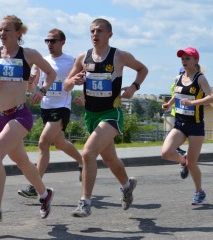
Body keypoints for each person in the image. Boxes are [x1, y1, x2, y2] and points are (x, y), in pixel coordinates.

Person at [0, 15, 56, 226]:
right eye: (0, 30)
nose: (2, 34)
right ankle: (44, 193)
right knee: (22, 162)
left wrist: (42, 90)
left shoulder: (28, 54)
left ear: (18, 33)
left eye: (7, 30)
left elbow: (51, 73)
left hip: (20, 115)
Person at [64, 18, 148, 217]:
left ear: (109, 34)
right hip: (91, 115)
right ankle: (127, 185)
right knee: (110, 158)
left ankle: (85, 202)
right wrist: (73, 81)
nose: (95, 34)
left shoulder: (119, 56)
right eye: (92, 31)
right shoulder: (83, 58)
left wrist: (134, 87)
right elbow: (66, 84)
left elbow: (142, 69)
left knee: (87, 153)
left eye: (99, 31)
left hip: (111, 113)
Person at [17, 29, 83, 199]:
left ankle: (34, 186)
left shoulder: (71, 61)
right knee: (60, 143)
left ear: (63, 42)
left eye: (53, 41)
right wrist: (31, 84)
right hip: (46, 107)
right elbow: (33, 88)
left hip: (62, 107)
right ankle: (83, 162)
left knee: (43, 143)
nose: (50, 44)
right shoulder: (42, 62)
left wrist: (83, 96)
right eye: (47, 41)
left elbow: (83, 79)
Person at [161, 47, 213, 205]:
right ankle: (182, 161)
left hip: (195, 126)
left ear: (196, 60)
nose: (184, 61)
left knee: (193, 163)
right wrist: (168, 104)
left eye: (187, 58)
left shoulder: (200, 79)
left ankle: (199, 192)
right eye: (182, 59)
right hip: (180, 124)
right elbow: (176, 94)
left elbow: (211, 97)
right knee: (165, 153)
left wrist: (192, 103)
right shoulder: (178, 78)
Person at [170, 67, 187, 156]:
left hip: (178, 109)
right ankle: (175, 147)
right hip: (178, 109)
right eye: (183, 73)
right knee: (178, 129)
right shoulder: (178, 83)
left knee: (178, 129)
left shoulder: (176, 83)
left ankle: (176, 147)